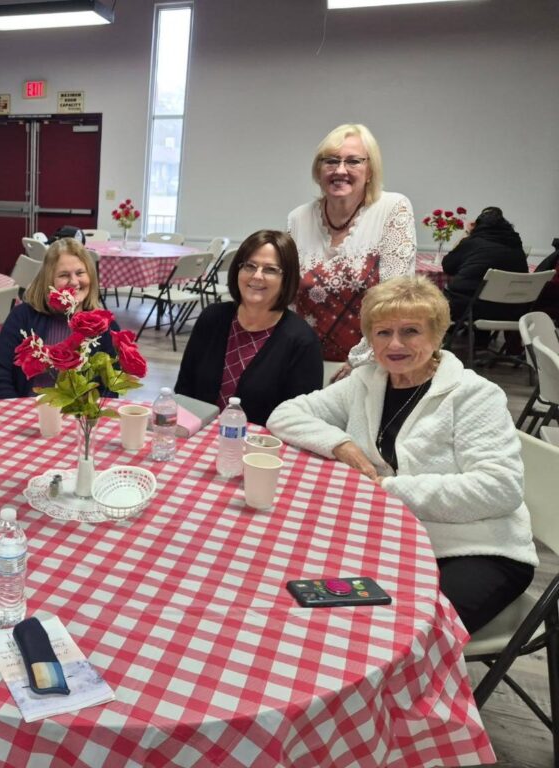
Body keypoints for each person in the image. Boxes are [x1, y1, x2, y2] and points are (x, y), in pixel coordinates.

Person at [267, 276, 536, 633]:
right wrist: (341, 444)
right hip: (394, 536)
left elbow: (499, 488)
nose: (395, 344)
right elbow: (283, 415)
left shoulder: (474, 395)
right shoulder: (368, 380)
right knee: (310, 596)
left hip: (478, 547)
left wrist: (389, 489)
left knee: (396, 632)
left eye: (410, 331)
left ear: (437, 334)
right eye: (382, 333)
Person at [288, 123, 416, 378]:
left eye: (353, 161)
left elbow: (395, 299)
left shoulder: (393, 209)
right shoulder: (297, 218)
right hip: (304, 359)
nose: (340, 170)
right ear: (318, 168)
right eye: (331, 161)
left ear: (370, 170)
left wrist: (359, 362)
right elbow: (289, 300)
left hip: (371, 364)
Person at [175, 230, 322, 425]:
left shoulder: (302, 342)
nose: (257, 276)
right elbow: (184, 391)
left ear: (286, 279)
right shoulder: (212, 318)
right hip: (199, 439)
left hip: (261, 450)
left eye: (270, 269)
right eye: (250, 266)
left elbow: (300, 421)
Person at [0, 237, 118, 399]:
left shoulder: (105, 326)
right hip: (27, 410)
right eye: (63, 275)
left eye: (80, 273)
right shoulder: (22, 317)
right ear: (48, 280)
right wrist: (17, 413)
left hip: (83, 420)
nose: (74, 282)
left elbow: (111, 389)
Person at [442, 206, 528, 337]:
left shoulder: (473, 242)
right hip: (512, 311)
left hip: (473, 309)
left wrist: (467, 233)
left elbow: (448, 266)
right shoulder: (516, 246)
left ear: (478, 227)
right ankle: (481, 340)